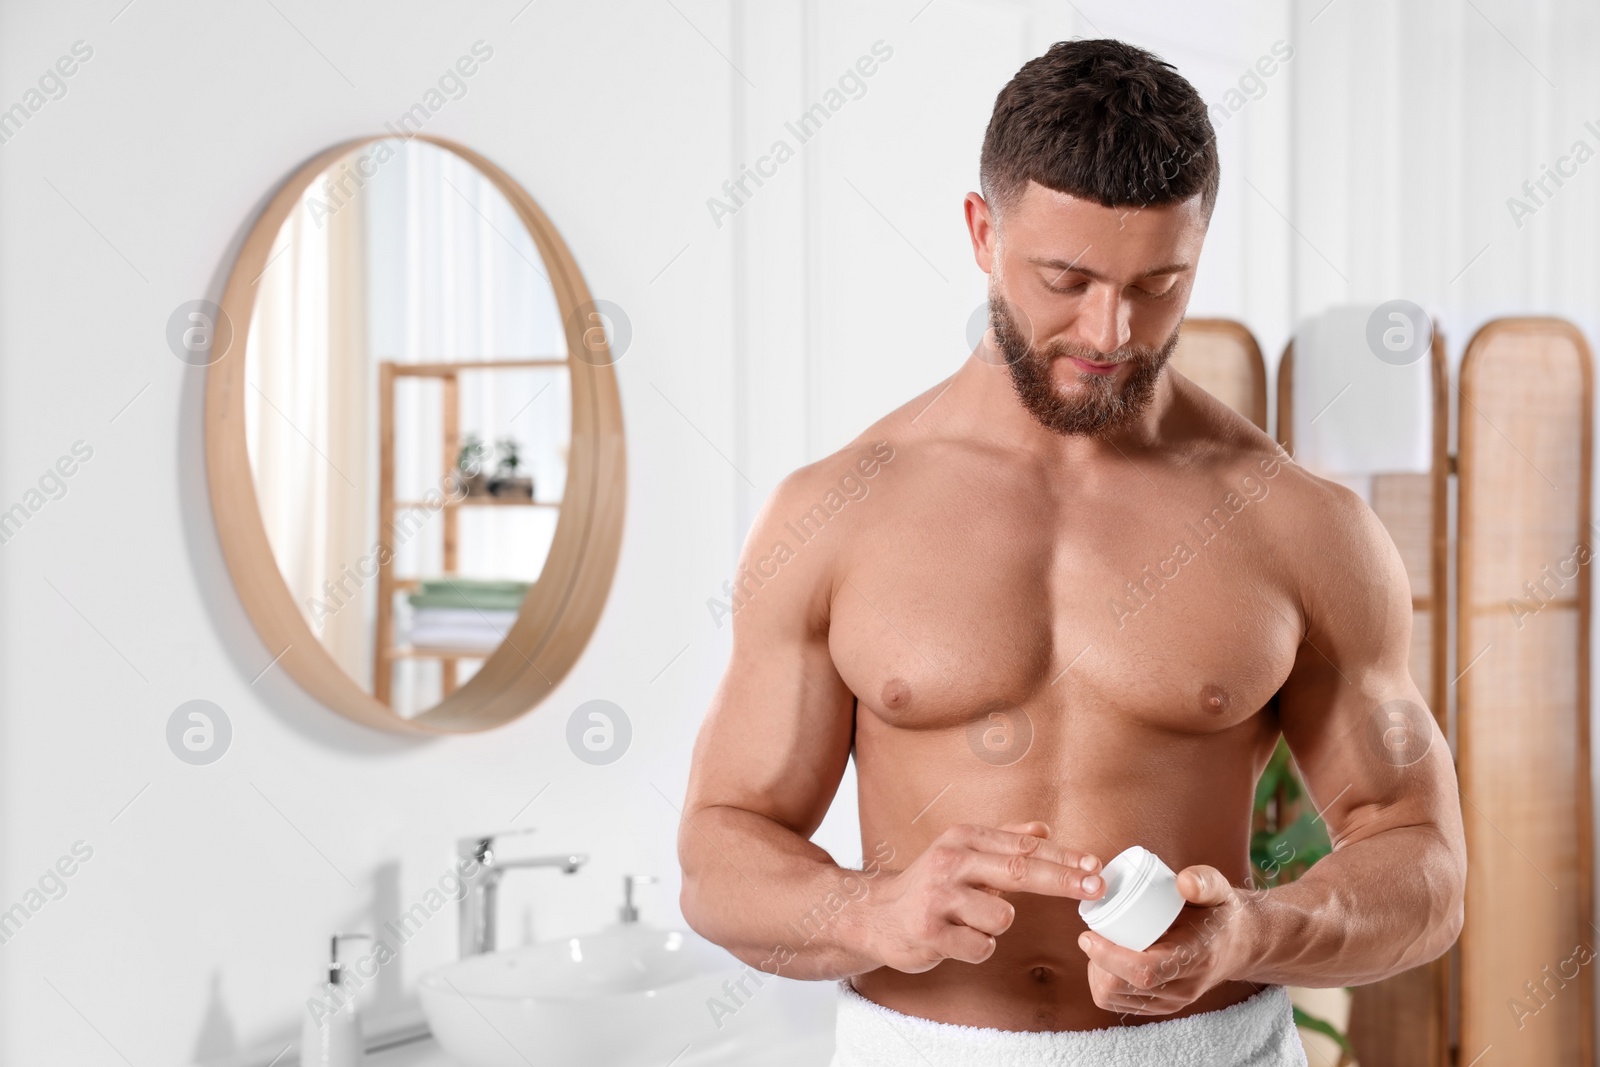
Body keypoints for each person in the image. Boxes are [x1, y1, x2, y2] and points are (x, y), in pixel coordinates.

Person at [678, 37, 1466, 1066]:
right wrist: (868, 908)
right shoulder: (834, 512)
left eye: (1158, 284)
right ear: (980, 232)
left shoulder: (1298, 524)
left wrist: (1252, 928)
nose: (1111, 329)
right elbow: (717, 852)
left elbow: (1424, 861)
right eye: (1066, 277)